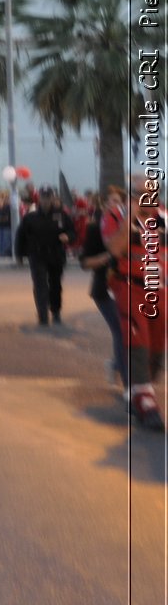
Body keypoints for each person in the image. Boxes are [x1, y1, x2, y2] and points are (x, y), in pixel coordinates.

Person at [108, 174, 166, 430]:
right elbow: (114, 249)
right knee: (137, 339)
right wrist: (130, 218)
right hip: (129, 287)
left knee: (156, 346)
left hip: (159, 290)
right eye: (141, 193)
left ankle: (140, 389)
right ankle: (145, 401)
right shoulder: (117, 216)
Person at [81, 185, 127, 387]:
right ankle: (126, 378)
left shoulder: (128, 228)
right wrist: (106, 257)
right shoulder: (94, 228)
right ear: (103, 204)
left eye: (117, 201)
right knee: (120, 329)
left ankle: (117, 365)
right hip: (103, 289)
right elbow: (84, 262)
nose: (113, 206)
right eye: (110, 202)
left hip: (126, 288)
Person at [15, 187, 77, 327]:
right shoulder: (30, 217)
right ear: (39, 198)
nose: (46, 200)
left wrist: (68, 236)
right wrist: (19, 255)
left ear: (52, 198)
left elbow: (73, 231)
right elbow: (20, 236)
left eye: (48, 197)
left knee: (55, 284)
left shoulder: (61, 215)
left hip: (56, 254)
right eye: (43, 197)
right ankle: (42, 314)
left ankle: (55, 311)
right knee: (40, 285)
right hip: (37, 255)